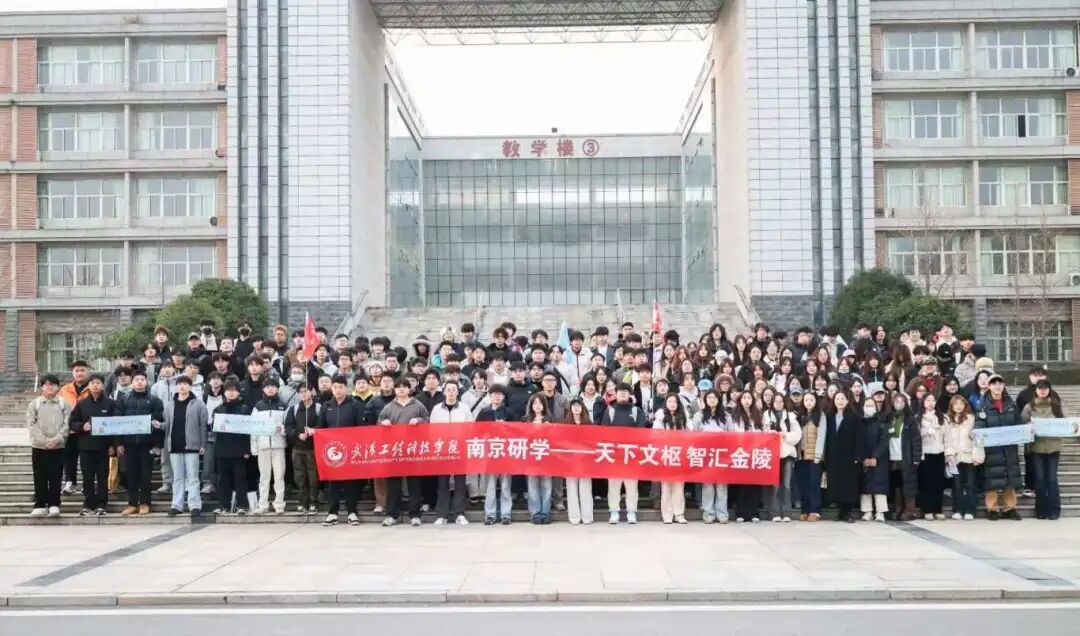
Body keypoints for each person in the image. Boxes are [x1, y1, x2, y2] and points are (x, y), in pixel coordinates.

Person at [378, 377, 430, 527]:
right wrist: (383, 422)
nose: (401, 389)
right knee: (393, 483)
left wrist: (419, 420)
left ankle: (415, 515)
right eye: (398, 387)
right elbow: (379, 422)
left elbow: (427, 420)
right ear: (395, 389)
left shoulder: (417, 405)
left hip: (413, 448)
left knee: (414, 483)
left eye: (404, 387)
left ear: (409, 389)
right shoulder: (388, 407)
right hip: (395, 450)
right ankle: (391, 514)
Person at [114, 370, 164, 516]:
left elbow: (159, 423)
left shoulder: (154, 400)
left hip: (147, 444)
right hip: (129, 443)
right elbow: (117, 421)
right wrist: (118, 442)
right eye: (137, 379)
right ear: (132, 382)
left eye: (142, 379)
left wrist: (158, 444)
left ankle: (145, 503)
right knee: (131, 475)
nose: (140, 382)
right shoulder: (124, 399)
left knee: (146, 475)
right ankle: (132, 504)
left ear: (147, 382)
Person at [68, 373, 116, 516]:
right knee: (87, 476)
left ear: (103, 385)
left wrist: (113, 445)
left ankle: (102, 504)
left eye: (98, 383)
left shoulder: (110, 403)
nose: (95, 385)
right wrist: (82, 426)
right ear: (88, 386)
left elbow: (116, 425)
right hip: (86, 446)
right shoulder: (82, 403)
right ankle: (88, 504)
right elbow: (72, 422)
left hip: (103, 447)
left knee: (102, 476)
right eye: (92, 383)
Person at [976, 374, 1023, 520]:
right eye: (994, 383)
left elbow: (1018, 423)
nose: (997, 386)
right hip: (992, 449)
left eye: (1000, 383)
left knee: (1010, 478)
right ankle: (992, 509)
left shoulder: (1011, 404)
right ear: (989, 386)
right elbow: (979, 425)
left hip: (1009, 448)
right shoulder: (982, 405)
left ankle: (1010, 508)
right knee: (992, 479)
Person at [322, 375, 367, 526]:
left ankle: (352, 512)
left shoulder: (355, 404)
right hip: (332, 450)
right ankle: (332, 513)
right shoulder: (326, 405)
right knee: (333, 482)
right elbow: (321, 427)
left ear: (346, 388)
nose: (337, 390)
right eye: (335, 387)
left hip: (350, 449)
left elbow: (361, 428)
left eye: (340, 387)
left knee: (351, 482)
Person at [600, 383, 647, 524]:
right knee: (613, 486)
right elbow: (604, 432)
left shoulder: (637, 411)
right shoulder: (610, 411)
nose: (623, 394)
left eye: (626, 391)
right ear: (615, 394)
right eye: (620, 391)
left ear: (630, 394)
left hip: (631, 454)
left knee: (632, 485)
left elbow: (641, 431)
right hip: (614, 455)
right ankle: (614, 511)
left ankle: (631, 511)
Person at [162, 375, 208, 517]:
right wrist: (160, 425)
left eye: (185, 384)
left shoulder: (198, 403)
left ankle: (195, 506)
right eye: (180, 384)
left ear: (190, 386)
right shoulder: (170, 405)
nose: (182, 386)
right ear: (176, 386)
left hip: (192, 445)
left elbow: (203, 425)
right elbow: (167, 424)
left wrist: (203, 443)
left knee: (193, 477)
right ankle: (177, 505)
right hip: (175, 445)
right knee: (177, 477)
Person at [1021, 379, 1068, 520]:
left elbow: (1065, 423)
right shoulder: (1029, 407)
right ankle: (1041, 509)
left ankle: (1054, 509)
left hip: (1054, 447)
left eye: (1045, 388)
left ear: (1049, 390)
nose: (1042, 391)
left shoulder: (1056, 406)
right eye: (1040, 388)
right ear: (1036, 390)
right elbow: (1022, 425)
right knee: (1040, 479)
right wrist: (1029, 428)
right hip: (1037, 448)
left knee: (1052, 479)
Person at [26, 375, 71, 517]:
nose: (49, 387)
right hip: (39, 447)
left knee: (56, 476)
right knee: (39, 476)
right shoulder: (34, 404)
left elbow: (67, 424)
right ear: (42, 387)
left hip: (58, 447)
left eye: (53, 384)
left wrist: (57, 439)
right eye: (46, 384)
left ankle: (54, 504)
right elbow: (31, 425)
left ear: (58, 387)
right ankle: (40, 505)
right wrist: (45, 441)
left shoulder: (64, 404)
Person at [429, 380, 470, 526]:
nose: (451, 392)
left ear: (458, 392)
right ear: (444, 392)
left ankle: (460, 514)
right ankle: (442, 515)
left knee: (460, 482)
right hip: (442, 449)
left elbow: (470, 427)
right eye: (448, 389)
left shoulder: (464, 408)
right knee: (442, 483)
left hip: (460, 448)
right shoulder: (437, 409)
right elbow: (432, 430)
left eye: (454, 389)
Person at [818, 391, 860, 523]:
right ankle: (840, 511)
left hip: (849, 455)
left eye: (842, 398)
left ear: (847, 400)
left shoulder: (854, 417)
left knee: (848, 483)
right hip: (833, 455)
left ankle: (848, 512)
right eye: (837, 399)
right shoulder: (829, 416)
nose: (840, 401)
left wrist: (858, 455)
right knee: (836, 483)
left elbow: (859, 437)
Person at [212, 380, 251, 515]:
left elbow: (248, 431)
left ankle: (242, 505)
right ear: (224, 392)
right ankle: (224, 505)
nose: (231, 393)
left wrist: (247, 450)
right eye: (229, 390)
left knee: (240, 478)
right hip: (222, 449)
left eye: (234, 390)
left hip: (239, 450)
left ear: (239, 392)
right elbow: (213, 428)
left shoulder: (244, 409)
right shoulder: (218, 409)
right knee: (223, 479)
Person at [252, 377, 289, 515]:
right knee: (264, 477)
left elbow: (288, 424)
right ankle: (263, 504)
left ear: (277, 389)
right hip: (263, 446)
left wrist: (282, 429)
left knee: (279, 476)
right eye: (267, 387)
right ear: (263, 389)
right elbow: (253, 428)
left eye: (273, 387)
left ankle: (279, 504)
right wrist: (254, 447)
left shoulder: (283, 405)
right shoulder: (258, 406)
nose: (270, 389)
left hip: (279, 445)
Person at [477, 385, 513, 525]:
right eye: (494, 394)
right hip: (490, 453)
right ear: (490, 396)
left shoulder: (509, 413)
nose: (497, 396)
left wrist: (505, 427)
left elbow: (516, 431)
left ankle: (506, 514)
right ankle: (490, 515)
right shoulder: (484, 412)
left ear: (503, 397)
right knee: (490, 487)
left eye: (499, 394)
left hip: (505, 453)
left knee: (505, 486)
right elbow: (477, 431)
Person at [763, 392, 801, 522]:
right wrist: (770, 434)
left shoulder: (791, 416)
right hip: (772, 453)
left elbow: (797, 435)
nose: (778, 404)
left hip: (787, 452)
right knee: (775, 484)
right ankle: (775, 513)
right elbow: (763, 433)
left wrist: (785, 435)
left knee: (787, 484)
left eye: (780, 402)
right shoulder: (766, 415)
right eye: (776, 402)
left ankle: (786, 512)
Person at [284, 383, 322, 513]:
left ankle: (313, 502)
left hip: (313, 448)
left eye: (306, 391)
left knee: (313, 476)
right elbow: (288, 427)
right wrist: (298, 435)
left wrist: (313, 430)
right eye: (301, 392)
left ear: (312, 392)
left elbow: (323, 424)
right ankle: (302, 502)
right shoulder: (293, 409)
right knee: (300, 477)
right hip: (297, 448)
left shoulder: (318, 408)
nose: (304, 394)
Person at [653, 394, 689, 524]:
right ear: (666, 403)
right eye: (669, 401)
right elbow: (655, 436)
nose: (672, 404)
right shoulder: (660, 417)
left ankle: (679, 514)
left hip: (680, 454)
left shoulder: (684, 418)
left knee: (679, 486)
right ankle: (667, 514)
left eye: (675, 402)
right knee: (666, 487)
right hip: (665, 454)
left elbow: (690, 435)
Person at [886, 393, 921, 520]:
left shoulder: (910, 420)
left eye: (902, 402)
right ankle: (898, 508)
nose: (899, 404)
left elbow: (917, 440)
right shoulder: (889, 418)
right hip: (892, 456)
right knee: (896, 484)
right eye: (897, 402)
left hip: (906, 456)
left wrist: (916, 457)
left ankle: (910, 510)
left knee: (908, 484)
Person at [58, 359, 91, 495]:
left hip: (88, 430)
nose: (79, 373)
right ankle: (70, 482)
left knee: (86, 459)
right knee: (69, 457)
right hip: (70, 430)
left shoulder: (93, 387)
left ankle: (87, 483)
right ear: (72, 373)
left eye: (82, 370)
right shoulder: (65, 390)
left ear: (88, 372)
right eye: (77, 371)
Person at [730, 391, 763, 523]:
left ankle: (754, 513)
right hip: (741, 452)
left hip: (755, 452)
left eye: (749, 398)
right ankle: (741, 513)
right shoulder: (735, 415)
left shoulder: (758, 415)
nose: (747, 400)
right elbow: (733, 433)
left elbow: (762, 432)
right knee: (742, 484)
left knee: (755, 483)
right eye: (744, 398)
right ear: (740, 400)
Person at [944, 394, 978, 521]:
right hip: (954, 456)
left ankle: (970, 510)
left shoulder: (971, 419)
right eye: (956, 404)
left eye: (961, 404)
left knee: (970, 484)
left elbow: (976, 438)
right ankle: (958, 509)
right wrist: (949, 453)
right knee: (957, 485)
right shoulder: (947, 419)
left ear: (965, 405)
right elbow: (946, 438)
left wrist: (976, 454)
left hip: (969, 455)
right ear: (952, 405)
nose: (958, 406)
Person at [855, 396, 889, 522]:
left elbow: (884, 441)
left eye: (871, 406)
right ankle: (867, 511)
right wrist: (863, 458)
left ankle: (880, 512)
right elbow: (858, 442)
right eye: (867, 406)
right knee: (865, 486)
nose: (869, 408)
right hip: (864, 460)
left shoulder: (881, 422)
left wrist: (875, 456)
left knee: (879, 486)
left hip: (879, 460)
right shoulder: (860, 423)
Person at [563, 398, 594, 525]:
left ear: (582, 408)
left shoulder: (588, 424)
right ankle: (574, 517)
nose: (576, 408)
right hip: (570, 460)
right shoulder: (565, 424)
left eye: (578, 406)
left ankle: (587, 516)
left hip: (585, 460)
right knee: (571, 488)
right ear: (570, 409)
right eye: (574, 406)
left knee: (585, 489)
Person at [524, 394, 554, 524]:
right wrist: (532, 427)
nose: (537, 406)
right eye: (535, 403)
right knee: (533, 486)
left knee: (547, 485)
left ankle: (545, 512)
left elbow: (555, 437)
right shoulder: (525, 419)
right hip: (531, 457)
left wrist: (549, 428)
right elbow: (521, 438)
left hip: (546, 457)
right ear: (531, 406)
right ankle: (535, 513)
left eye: (540, 403)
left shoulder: (550, 419)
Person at [794, 391, 824, 522]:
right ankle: (805, 510)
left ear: (816, 401)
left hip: (814, 456)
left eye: (811, 400)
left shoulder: (820, 416)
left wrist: (818, 455)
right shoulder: (800, 416)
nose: (809, 402)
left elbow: (821, 436)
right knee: (803, 484)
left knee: (814, 484)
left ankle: (815, 510)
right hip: (801, 456)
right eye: (806, 400)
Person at [916, 393, 946, 520]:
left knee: (938, 482)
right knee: (926, 483)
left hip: (940, 452)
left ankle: (938, 509)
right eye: (928, 400)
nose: (930, 403)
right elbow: (916, 436)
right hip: (926, 453)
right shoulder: (918, 418)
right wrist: (926, 431)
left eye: (933, 400)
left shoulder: (942, 417)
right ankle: (927, 510)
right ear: (923, 402)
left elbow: (947, 435)